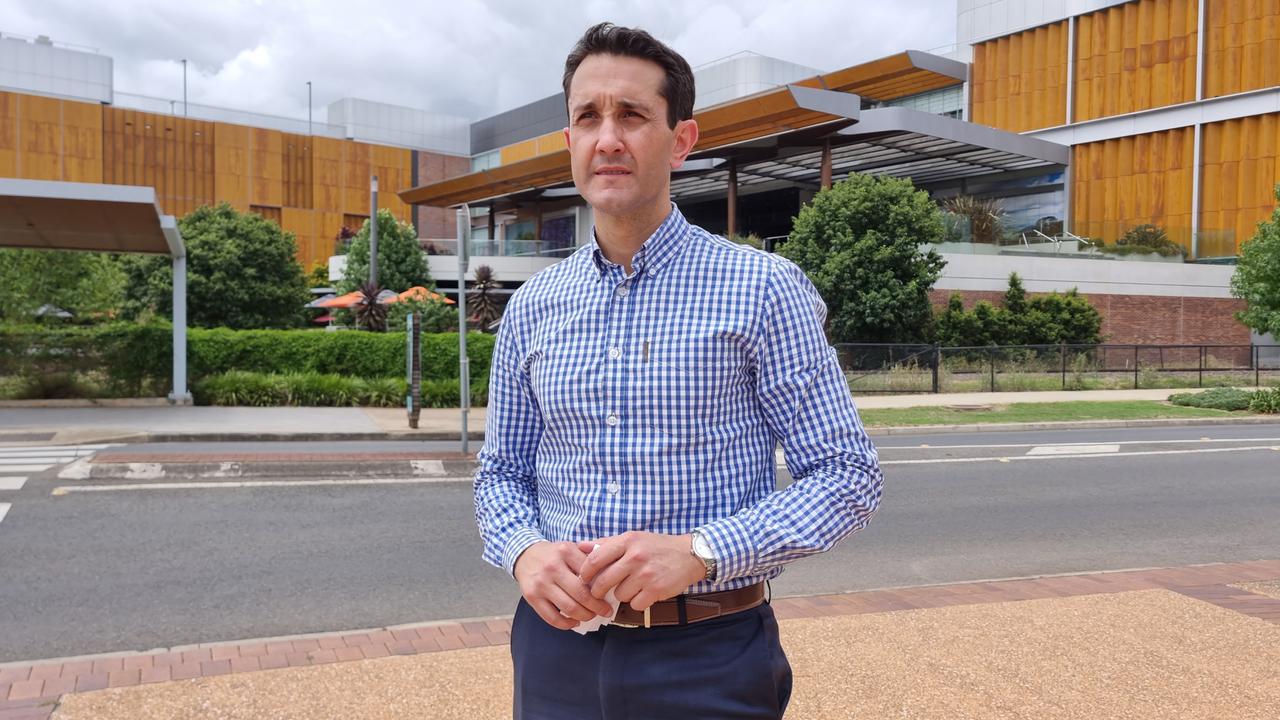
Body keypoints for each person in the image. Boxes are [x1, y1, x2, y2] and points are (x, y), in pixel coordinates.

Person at [474, 21, 884, 720]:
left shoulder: (763, 289)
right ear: (569, 141)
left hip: (709, 653)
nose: (608, 138)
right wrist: (524, 554)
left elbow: (848, 475)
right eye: (587, 117)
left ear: (682, 140)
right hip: (554, 653)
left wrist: (702, 550)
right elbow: (500, 475)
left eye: (632, 115)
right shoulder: (533, 306)